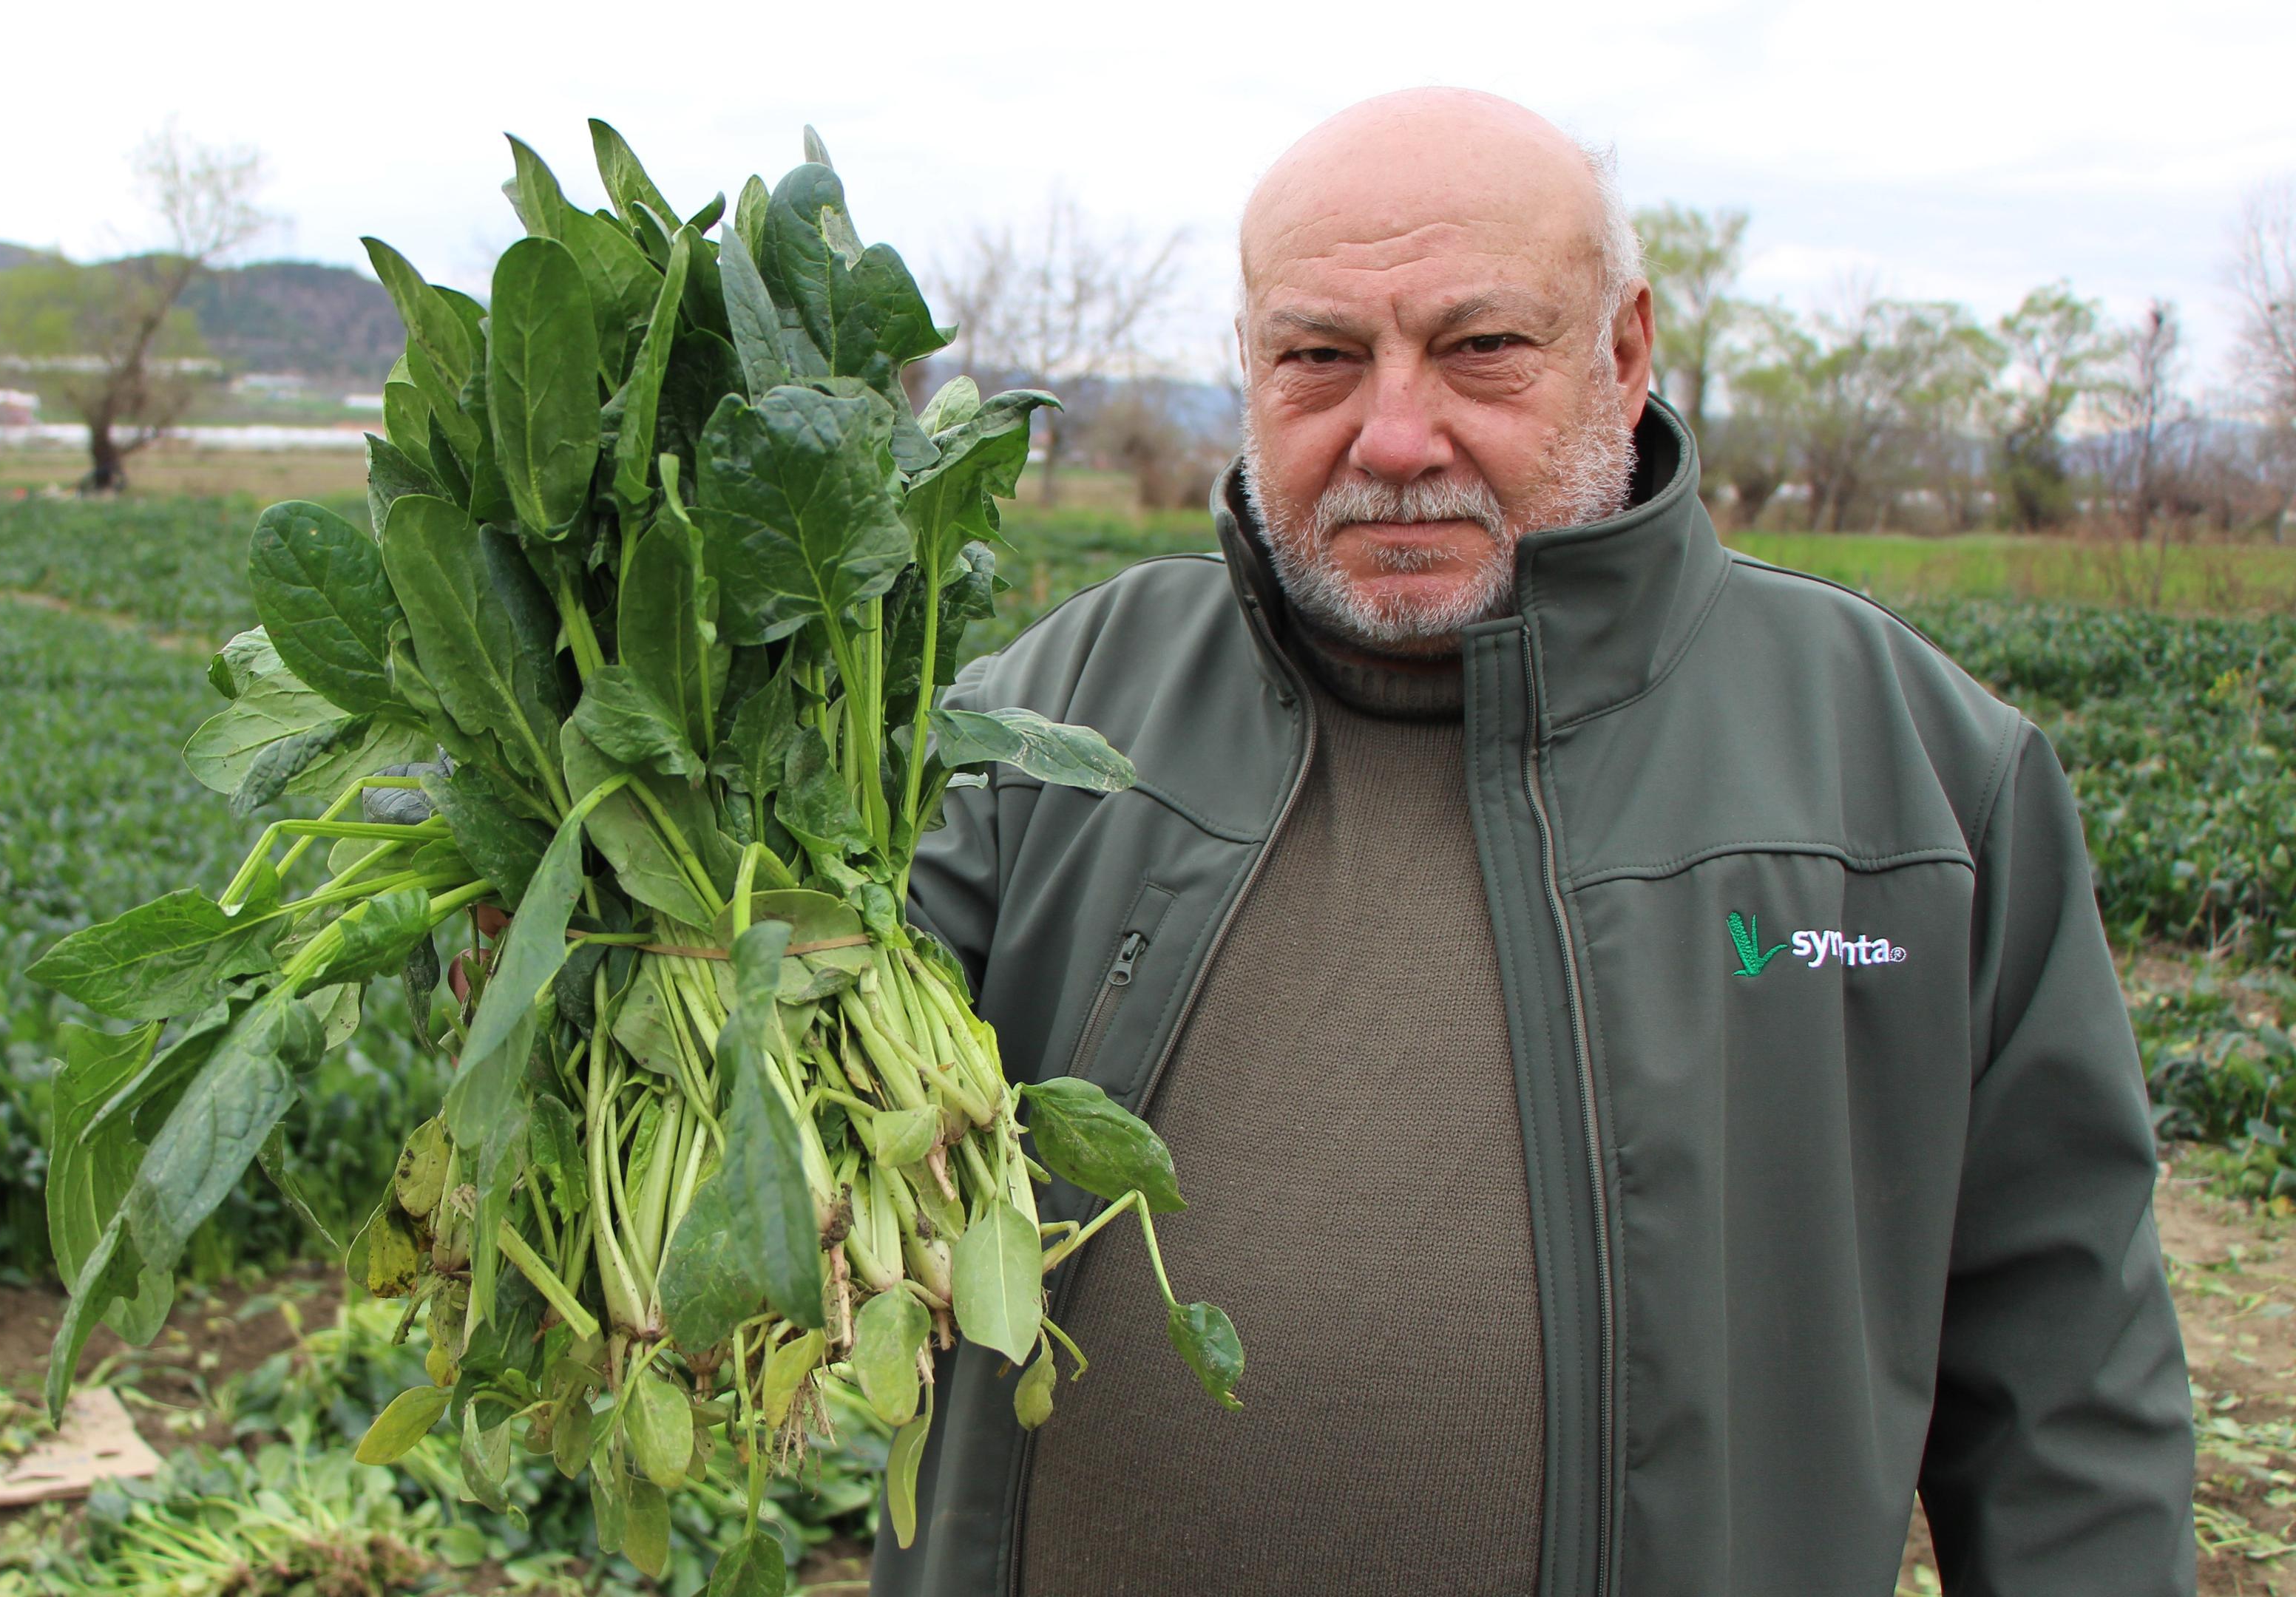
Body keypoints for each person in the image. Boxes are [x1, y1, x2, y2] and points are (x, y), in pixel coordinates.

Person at [881, 88, 2194, 1597]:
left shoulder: (1914, 773)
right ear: (1246, 368)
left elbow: (2068, 1390)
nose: (1392, 432)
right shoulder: (1039, 720)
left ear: (1623, 351)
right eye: (1317, 357)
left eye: (1480, 347)